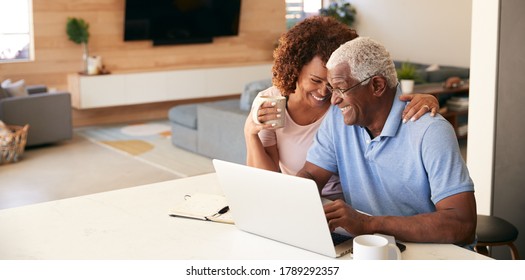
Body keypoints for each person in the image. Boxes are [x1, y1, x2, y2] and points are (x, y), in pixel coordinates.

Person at [297, 37, 476, 246]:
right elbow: (311, 174)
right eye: (331, 89)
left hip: (428, 253)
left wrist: (369, 223)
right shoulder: (338, 120)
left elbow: (462, 224)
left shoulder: (430, 131)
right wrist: (292, 194)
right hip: (371, 246)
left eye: (340, 88)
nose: (334, 99)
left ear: (377, 85)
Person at [244, 16, 439, 200]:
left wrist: (427, 99)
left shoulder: (347, 102)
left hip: (351, 205)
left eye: (333, 84)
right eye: (316, 80)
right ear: (294, 68)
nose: (325, 92)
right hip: (301, 196)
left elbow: (385, 103)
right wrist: (250, 133)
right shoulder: (273, 102)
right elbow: (266, 180)